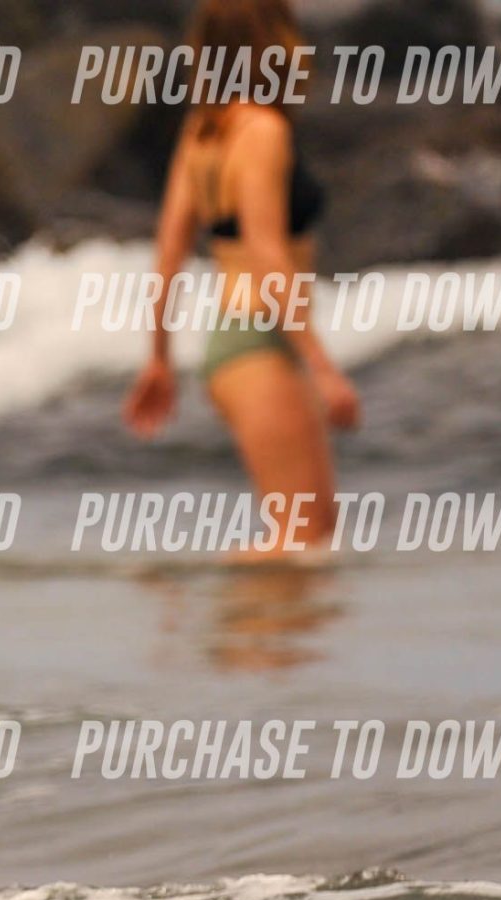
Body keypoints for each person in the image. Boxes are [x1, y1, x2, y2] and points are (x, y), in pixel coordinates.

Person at [125, 0, 360, 557]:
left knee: (308, 534)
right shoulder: (263, 130)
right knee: (300, 539)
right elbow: (266, 252)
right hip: (259, 338)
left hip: (235, 342)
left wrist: (158, 360)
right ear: (272, 40)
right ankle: (220, 612)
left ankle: (231, 613)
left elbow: (168, 256)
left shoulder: (203, 132)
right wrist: (322, 366)